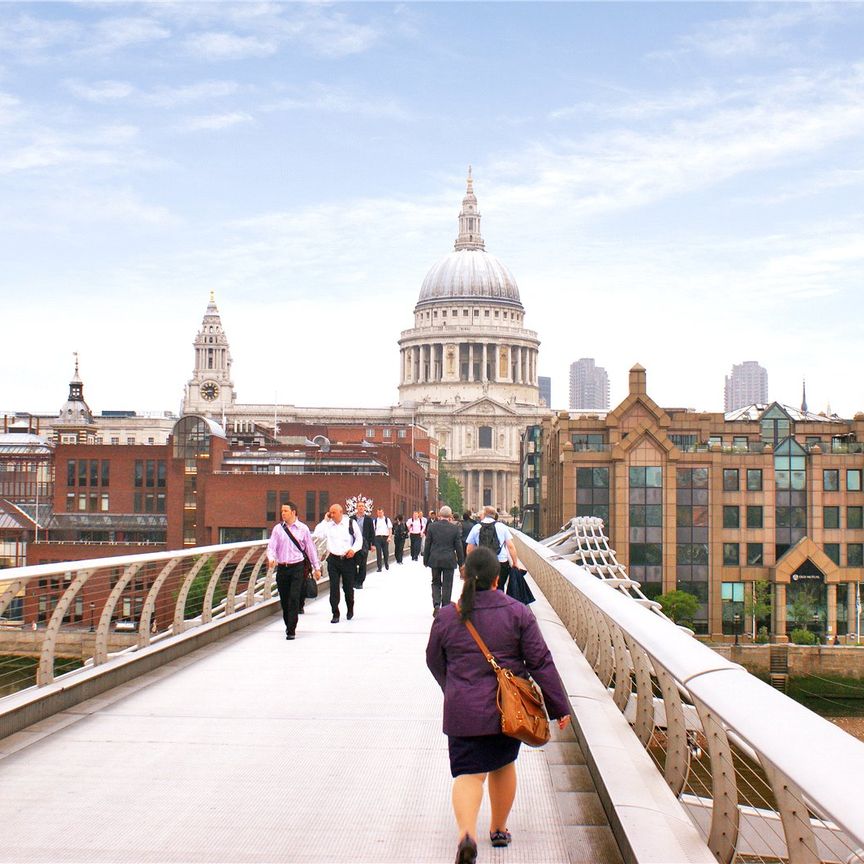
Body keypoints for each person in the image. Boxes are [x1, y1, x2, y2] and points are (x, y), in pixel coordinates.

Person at [426, 547, 571, 864]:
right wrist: (558, 706)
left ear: (464, 576)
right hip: (508, 709)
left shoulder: (448, 616)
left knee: (467, 774)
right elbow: (540, 662)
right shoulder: (517, 612)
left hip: (463, 709)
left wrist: (451, 688)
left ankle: (466, 835)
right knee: (502, 765)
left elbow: (434, 660)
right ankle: (499, 829)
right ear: (497, 578)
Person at [266, 501, 321, 640]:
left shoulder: (303, 529)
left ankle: (291, 629)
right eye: (282, 511)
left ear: (293, 512)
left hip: (297, 567)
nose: (282, 513)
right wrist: (271, 558)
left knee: (294, 598)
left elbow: (310, 549)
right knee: (284, 600)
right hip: (282, 568)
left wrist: (317, 567)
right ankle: (288, 624)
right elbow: (271, 546)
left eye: (285, 511)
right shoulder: (278, 529)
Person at [314, 503, 362, 623]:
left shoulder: (350, 523)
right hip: (333, 560)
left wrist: (353, 550)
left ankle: (350, 608)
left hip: (348, 559)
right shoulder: (328, 526)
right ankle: (335, 613)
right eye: (330, 512)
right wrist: (325, 520)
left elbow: (359, 539)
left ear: (341, 512)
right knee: (334, 588)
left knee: (348, 588)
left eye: (334, 512)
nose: (331, 515)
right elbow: (317, 534)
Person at [465, 506, 522, 593]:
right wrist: (515, 563)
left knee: (483, 588)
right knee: (500, 587)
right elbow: (510, 546)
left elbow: (469, 548)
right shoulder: (502, 527)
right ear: (494, 515)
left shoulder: (476, 527)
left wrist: (471, 564)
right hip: (501, 562)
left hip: (482, 562)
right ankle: (499, 603)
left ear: (484, 514)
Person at [423, 505, 465, 613]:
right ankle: (445, 608)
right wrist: (461, 563)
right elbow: (458, 547)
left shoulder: (432, 527)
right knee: (447, 584)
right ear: (450, 516)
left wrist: (426, 560)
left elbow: (427, 544)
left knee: (435, 582)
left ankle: (436, 604)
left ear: (439, 515)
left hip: (435, 559)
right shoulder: (455, 528)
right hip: (449, 560)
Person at [351, 500, 376, 589]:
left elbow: (372, 533)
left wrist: (373, 544)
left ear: (364, 508)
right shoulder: (352, 519)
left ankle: (360, 582)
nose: (361, 508)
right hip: (353, 544)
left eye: (362, 506)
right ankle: (354, 580)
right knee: (352, 563)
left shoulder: (368, 519)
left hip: (364, 544)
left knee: (362, 563)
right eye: (359, 506)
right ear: (356, 508)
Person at [373, 506, 393, 571]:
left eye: (381, 512)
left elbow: (390, 529)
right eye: (378, 513)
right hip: (377, 538)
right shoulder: (375, 521)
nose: (379, 514)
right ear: (377, 513)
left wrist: (389, 537)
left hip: (385, 538)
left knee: (385, 552)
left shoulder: (387, 520)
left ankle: (386, 563)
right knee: (378, 553)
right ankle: (379, 567)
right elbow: (373, 531)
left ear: (383, 512)